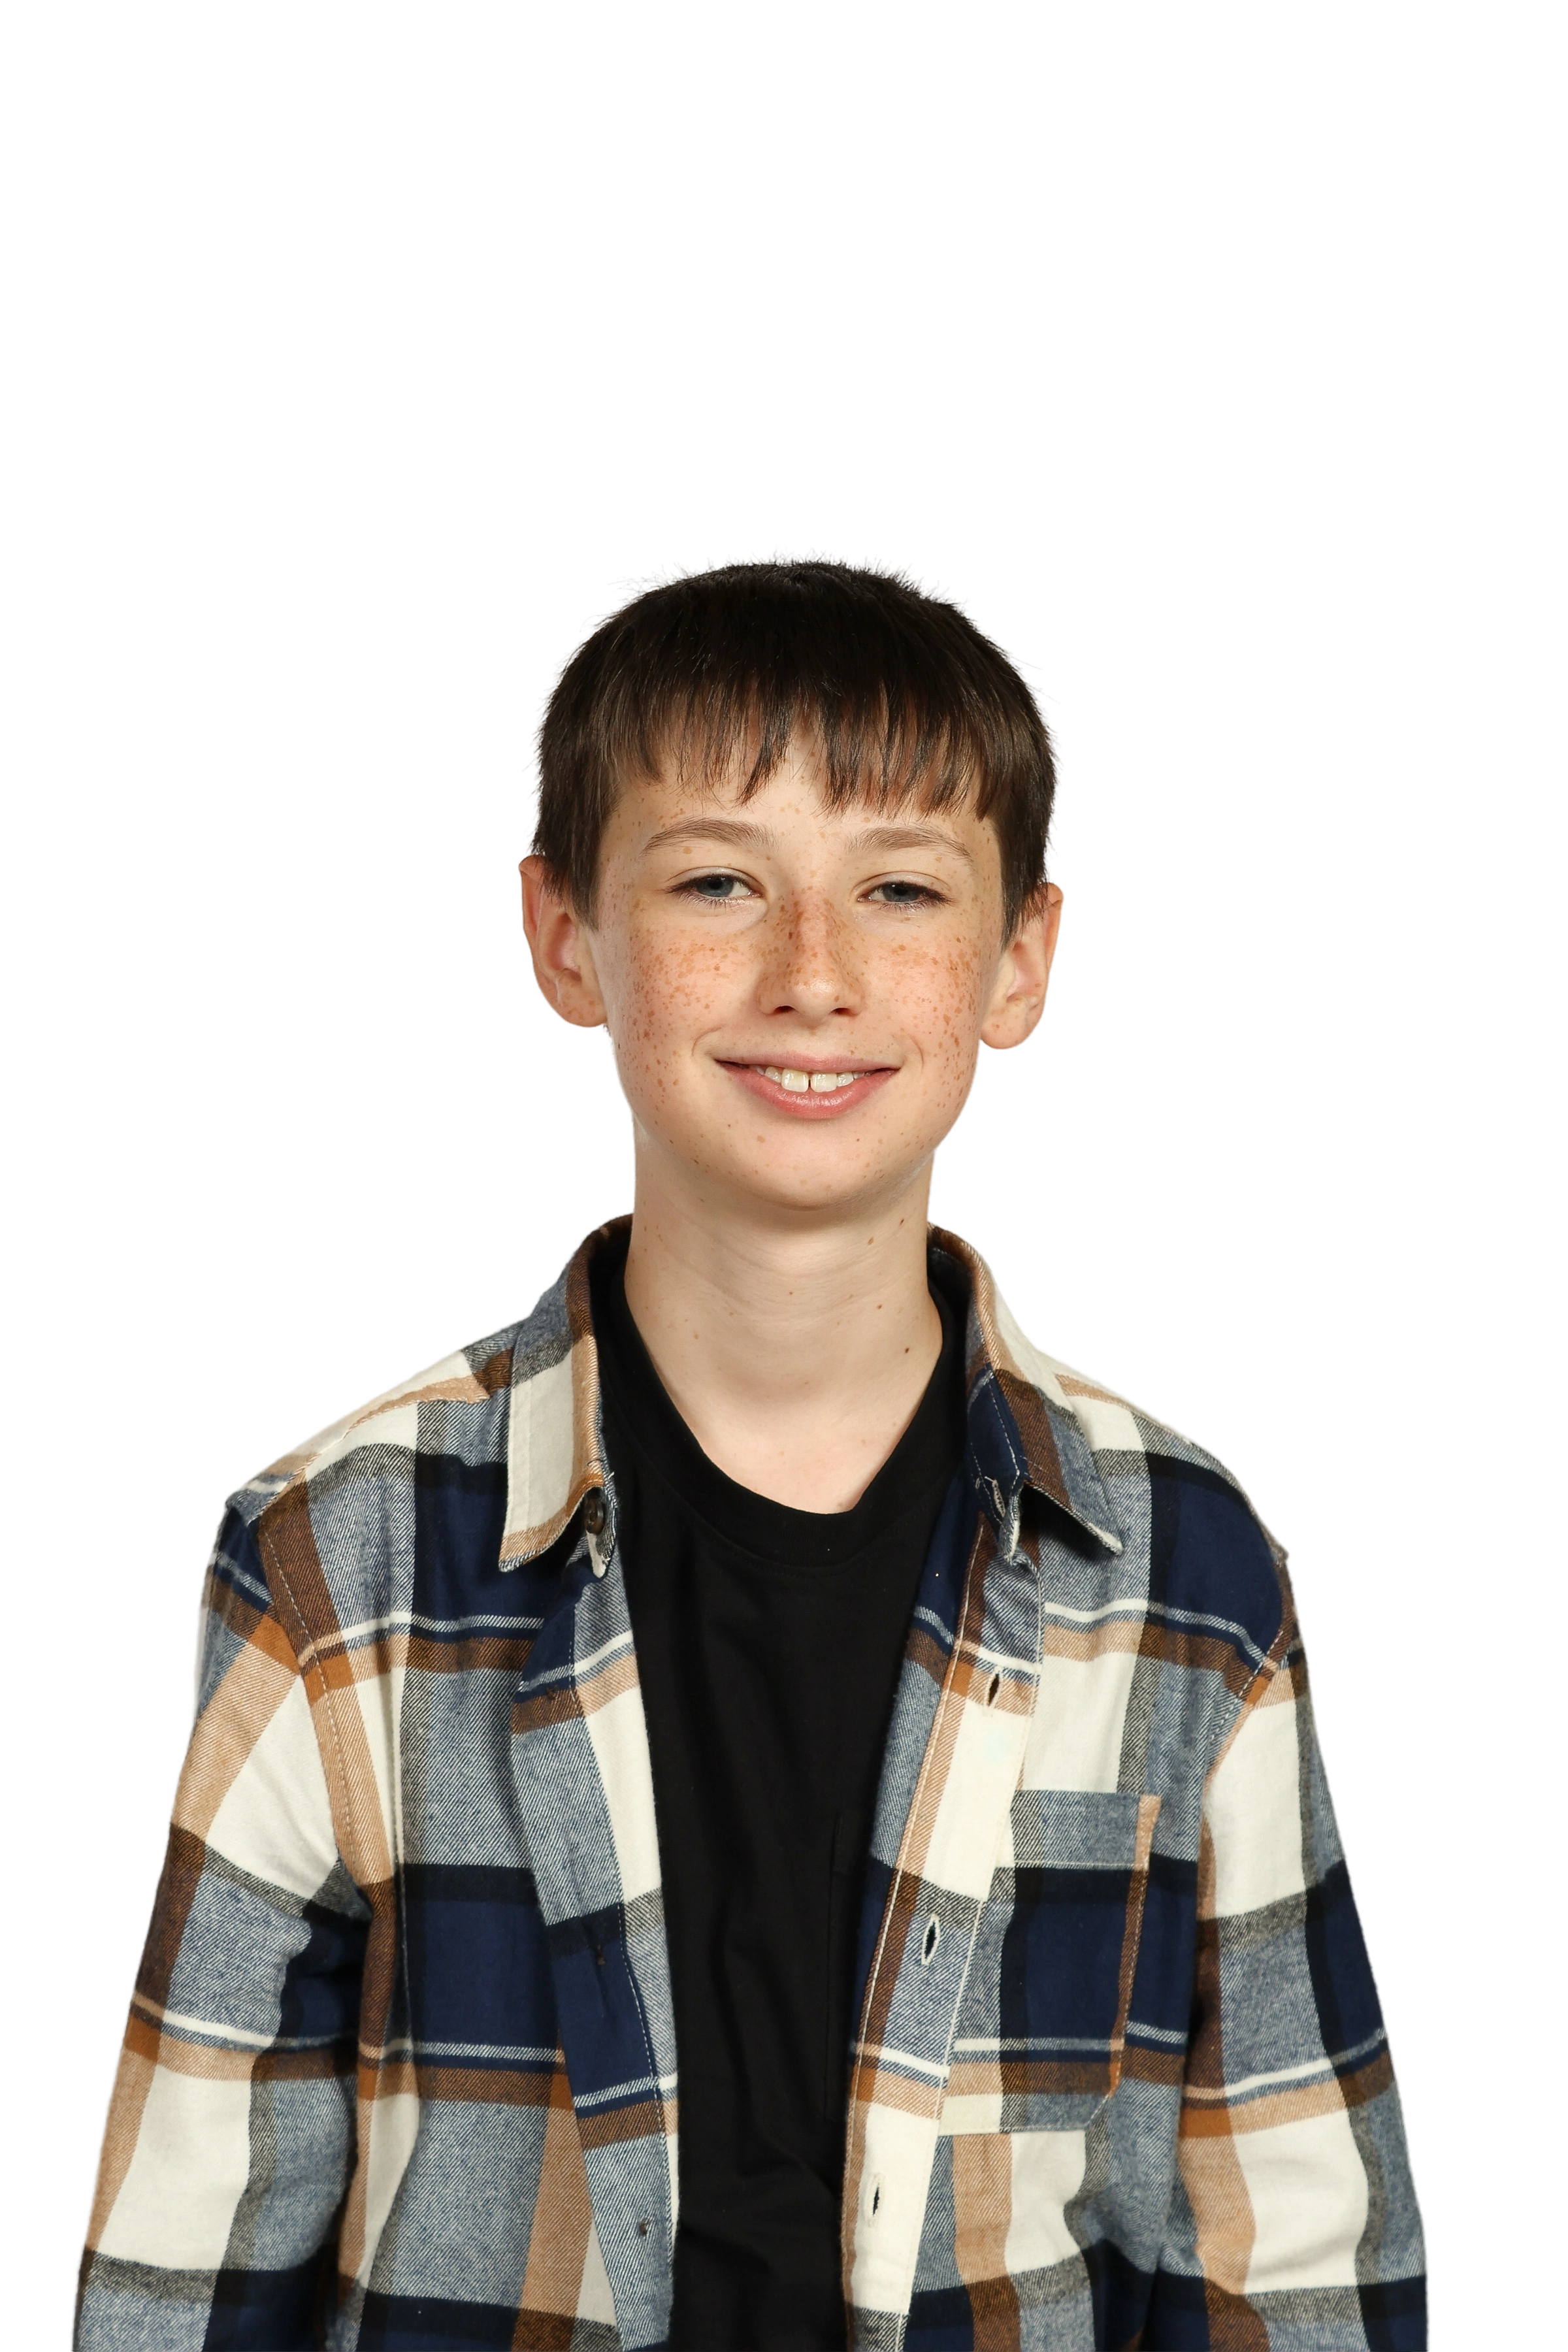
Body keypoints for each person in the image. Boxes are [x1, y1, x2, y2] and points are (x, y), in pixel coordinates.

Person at [71, 547, 1430, 2351]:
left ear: (1022, 958)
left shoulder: (1187, 1564)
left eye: (901, 888)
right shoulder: (337, 1560)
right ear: (564, 932)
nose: (813, 975)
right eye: (718, 880)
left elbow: (1297, 2261)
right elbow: (183, 2273)